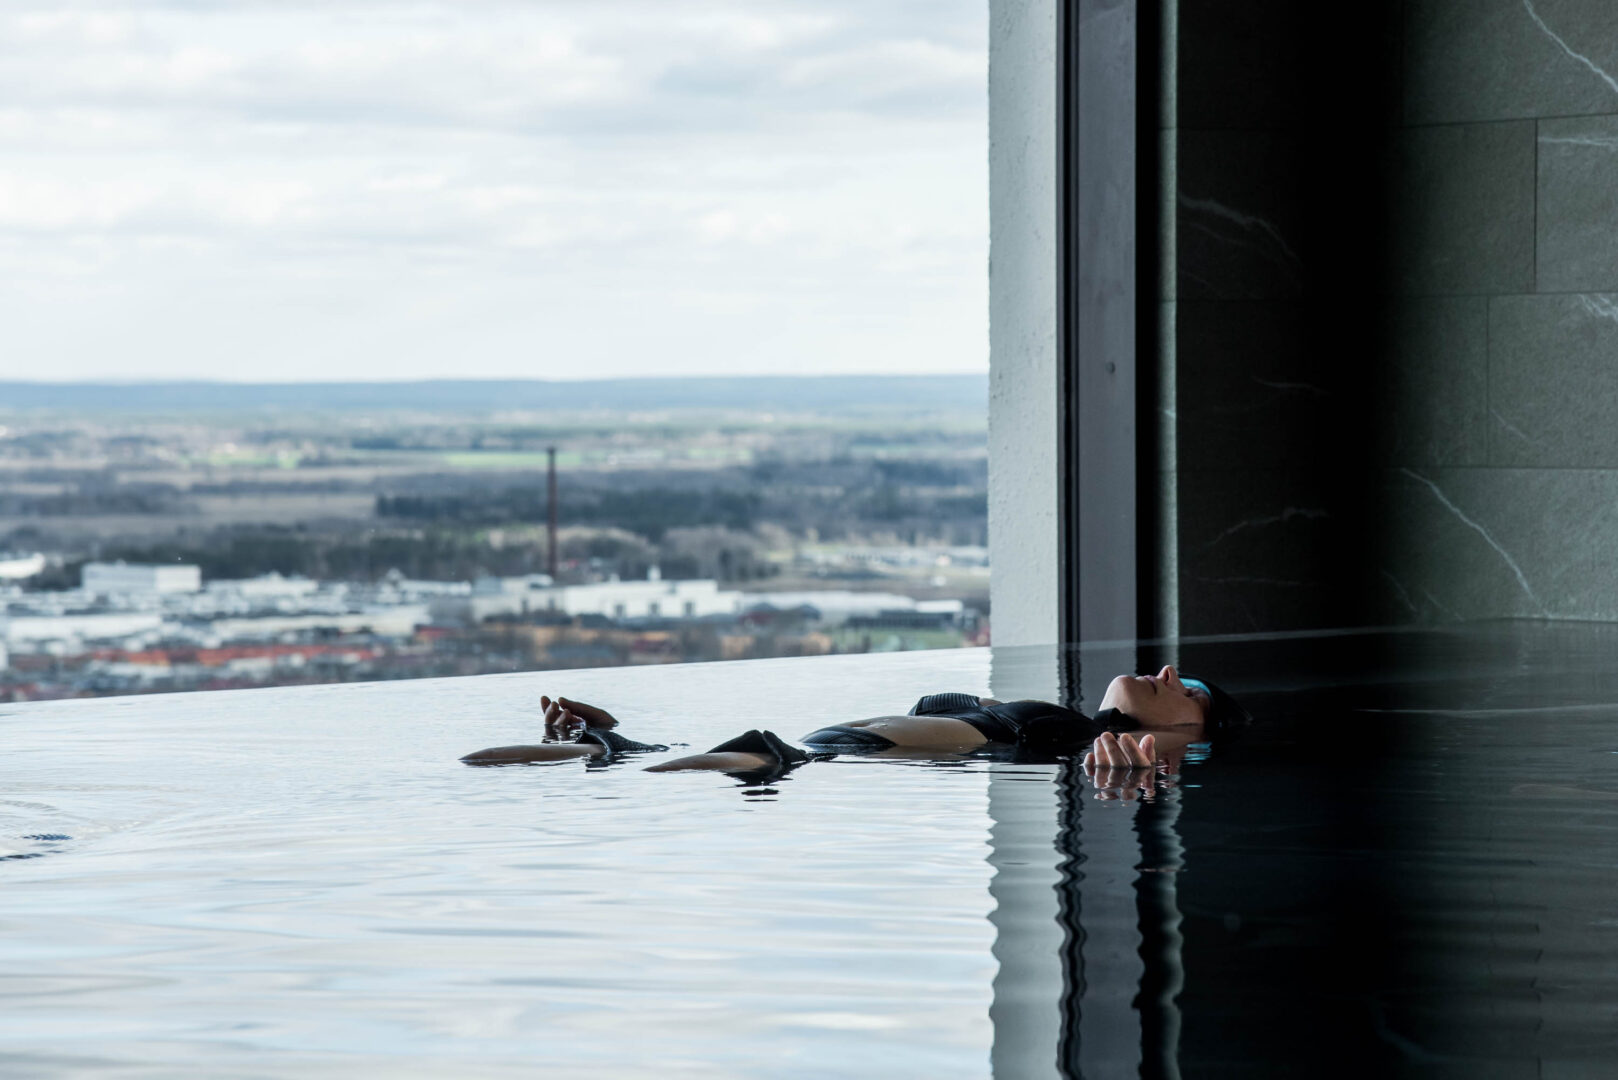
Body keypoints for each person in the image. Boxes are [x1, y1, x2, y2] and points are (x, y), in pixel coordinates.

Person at [459, 666, 1250, 784]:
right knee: (646, 761)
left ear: (1193, 731)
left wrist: (1132, 763)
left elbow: (1144, 760)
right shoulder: (1072, 720)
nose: (1168, 673)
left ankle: (599, 750)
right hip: (835, 746)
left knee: (736, 760)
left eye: (1190, 690)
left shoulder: (1113, 740)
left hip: (822, 755)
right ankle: (603, 743)